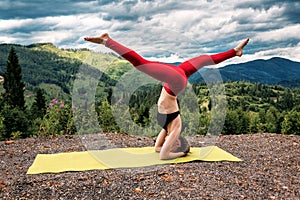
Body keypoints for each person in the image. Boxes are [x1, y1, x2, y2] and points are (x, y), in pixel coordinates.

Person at [84, 33, 249, 160]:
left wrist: (170, 149)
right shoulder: (176, 129)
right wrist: (182, 154)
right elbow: (164, 156)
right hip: (175, 83)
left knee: (202, 60)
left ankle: (235, 52)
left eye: (174, 145)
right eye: (178, 143)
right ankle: (107, 41)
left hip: (173, 82)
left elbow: (158, 150)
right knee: (142, 64)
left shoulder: (165, 128)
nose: (174, 142)